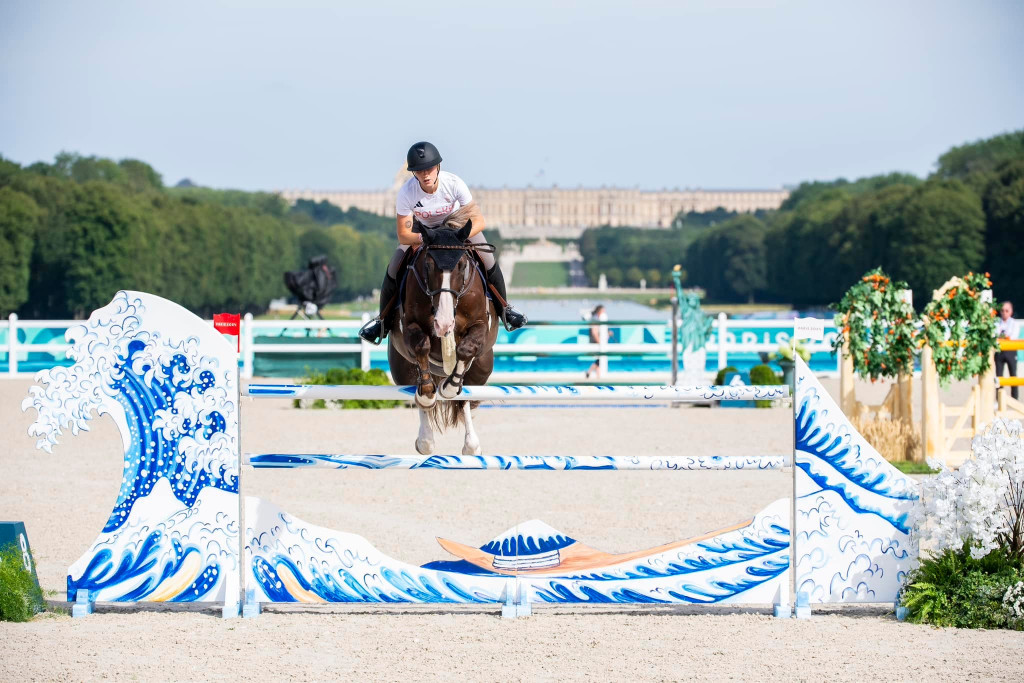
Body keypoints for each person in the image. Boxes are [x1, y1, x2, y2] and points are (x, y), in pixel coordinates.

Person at [359, 141, 527, 344]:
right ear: (413, 173)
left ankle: (505, 310)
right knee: (394, 267)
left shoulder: (454, 183)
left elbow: (479, 221)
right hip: (425, 233)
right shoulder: (406, 192)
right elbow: (403, 234)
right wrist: (427, 239)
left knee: (488, 259)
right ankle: (382, 321)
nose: (425, 174)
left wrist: (457, 237)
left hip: (457, 229)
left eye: (429, 169)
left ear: (438, 167)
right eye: (419, 171)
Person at [995, 300, 1019, 400]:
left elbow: (1013, 336)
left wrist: (1002, 337)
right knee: (999, 376)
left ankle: (1014, 398)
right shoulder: (996, 323)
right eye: (1002, 310)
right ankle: (999, 399)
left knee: (1013, 375)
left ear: (1011, 312)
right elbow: (994, 335)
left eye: (1006, 310)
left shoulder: (1014, 323)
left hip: (1010, 350)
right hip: (999, 351)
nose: (1004, 313)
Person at [585, 304, 612, 379]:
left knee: (599, 359)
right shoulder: (595, 319)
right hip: (597, 342)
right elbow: (595, 332)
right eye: (603, 311)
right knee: (600, 359)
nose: (604, 312)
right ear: (599, 311)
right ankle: (591, 373)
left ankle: (596, 376)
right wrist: (600, 342)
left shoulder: (597, 319)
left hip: (598, 341)